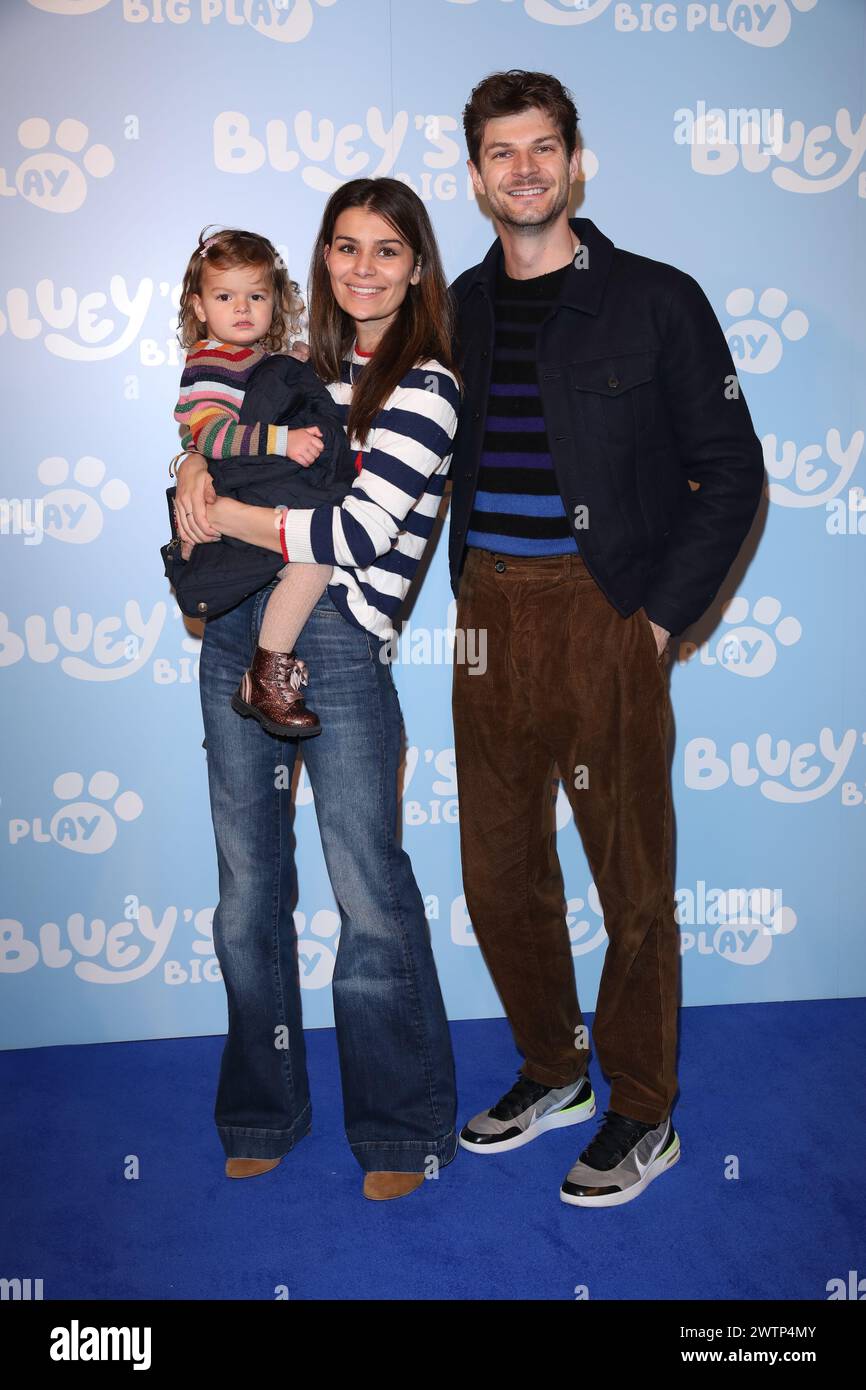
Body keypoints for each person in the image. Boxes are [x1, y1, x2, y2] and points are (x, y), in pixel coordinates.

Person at [448, 70, 765, 1207]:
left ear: (574, 160)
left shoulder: (655, 297)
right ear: (475, 171)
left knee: (630, 878)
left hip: (604, 610)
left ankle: (642, 1104)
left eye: (542, 148)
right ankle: (552, 1068)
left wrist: (656, 623)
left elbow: (732, 473)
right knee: (496, 869)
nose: (522, 168)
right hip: (482, 612)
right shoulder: (460, 307)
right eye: (500, 151)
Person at [173, 178, 462, 1201]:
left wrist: (215, 505)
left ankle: (397, 1127)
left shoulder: (425, 387)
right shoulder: (291, 368)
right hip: (234, 627)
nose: (363, 267)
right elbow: (208, 439)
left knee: (365, 889)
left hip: (338, 639)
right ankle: (260, 1107)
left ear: (416, 266)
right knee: (246, 893)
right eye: (345, 247)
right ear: (323, 261)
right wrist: (189, 474)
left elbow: (345, 535)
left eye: (387, 250)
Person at [169, 225, 358, 736]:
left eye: (256, 296)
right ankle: (268, 673)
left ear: (276, 301)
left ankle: (267, 672)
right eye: (225, 296)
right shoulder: (211, 360)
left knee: (311, 562)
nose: (243, 308)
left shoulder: (250, 359)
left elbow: (264, 390)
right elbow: (209, 435)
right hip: (235, 522)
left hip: (250, 511)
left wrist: (293, 363)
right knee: (312, 563)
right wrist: (283, 440)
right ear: (199, 306)